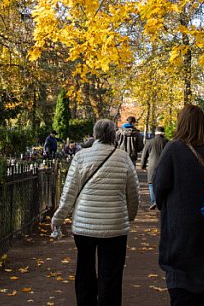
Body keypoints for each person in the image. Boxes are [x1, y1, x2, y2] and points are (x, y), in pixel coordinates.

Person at [51, 119, 139, 306]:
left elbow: (69, 192)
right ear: (113, 135)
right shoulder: (123, 158)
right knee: (112, 274)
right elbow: (133, 192)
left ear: (95, 134)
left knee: (85, 270)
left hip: (84, 225)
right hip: (115, 226)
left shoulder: (81, 157)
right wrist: (129, 216)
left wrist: (58, 217)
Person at [153, 104, 204, 306]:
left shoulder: (174, 148)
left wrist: (164, 206)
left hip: (180, 226)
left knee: (180, 283)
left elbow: (160, 185)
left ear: (182, 123)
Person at [141, 126, 168, 210]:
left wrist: (143, 165)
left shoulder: (150, 142)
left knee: (151, 183)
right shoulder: (167, 142)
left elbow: (144, 154)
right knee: (163, 183)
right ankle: (161, 201)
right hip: (164, 166)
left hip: (152, 166)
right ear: (163, 133)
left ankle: (154, 201)